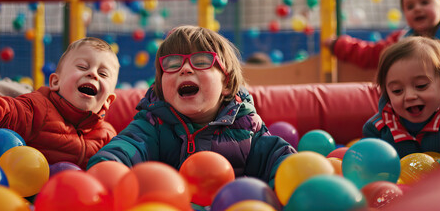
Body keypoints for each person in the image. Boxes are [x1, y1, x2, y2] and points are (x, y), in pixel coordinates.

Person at [87, 25, 297, 187]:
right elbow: (127, 147)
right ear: (161, 86)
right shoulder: (153, 123)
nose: (185, 69)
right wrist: (109, 166)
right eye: (172, 63)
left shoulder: (246, 126)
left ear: (226, 84)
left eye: (202, 60)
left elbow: (280, 159)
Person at [0, 37, 120, 169]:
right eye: (82, 67)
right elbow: (6, 108)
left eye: (102, 73)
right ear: (55, 82)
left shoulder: (107, 135)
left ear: (107, 101)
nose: (92, 74)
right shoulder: (37, 108)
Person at [325, 0, 440, 69]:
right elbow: (372, 55)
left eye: (424, 2)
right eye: (410, 6)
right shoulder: (401, 40)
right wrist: (338, 45)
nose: (417, 8)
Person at [363, 36, 440, 158]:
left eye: (421, 86)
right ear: (387, 94)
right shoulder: (377, 129)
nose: (409, 96)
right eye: (397, 90)